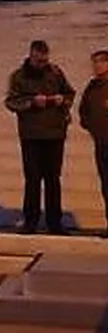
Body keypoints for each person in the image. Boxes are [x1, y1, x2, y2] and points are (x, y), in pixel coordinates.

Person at [4, 39, 76, 235]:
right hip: (31, 135)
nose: (42, 65)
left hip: (55, 133)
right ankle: (31, 221)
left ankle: (54, 222)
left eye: (45, 61)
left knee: (53, 179)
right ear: (31, 55)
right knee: (33, 180)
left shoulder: (55, 72)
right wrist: (32, 102)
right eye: (39, 61)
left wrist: (63, 100)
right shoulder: (19, 76)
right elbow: (11, 102)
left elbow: (70, 92)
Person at [80, 49, 108, 238]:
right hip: (102, 141)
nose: (96, 66)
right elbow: (83, 111)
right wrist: (92, 128)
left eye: (99, 62)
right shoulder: (92, 87)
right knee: (106, 184)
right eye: (94, 62)